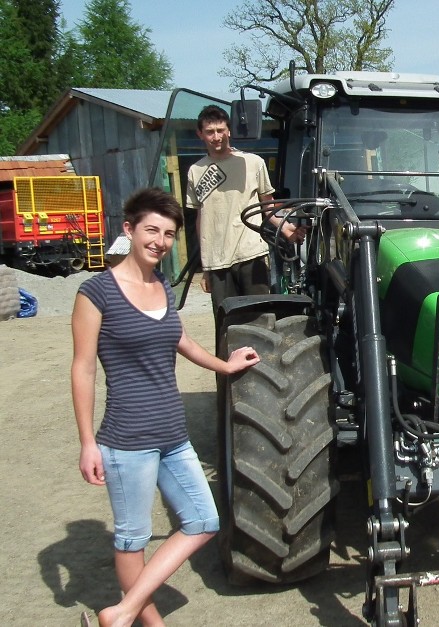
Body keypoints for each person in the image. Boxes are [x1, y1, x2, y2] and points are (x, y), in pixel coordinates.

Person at [71, 188, 261, 627]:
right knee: (132, 538)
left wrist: (225, 365)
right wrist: (87, 442)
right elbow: (83, 369)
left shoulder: (161, 285)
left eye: (169, 234)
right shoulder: (95, 292)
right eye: (151, 230)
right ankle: (145, 622)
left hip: (173, 436)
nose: (160, 240)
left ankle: (120, 613)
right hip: (126, 440)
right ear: (129, 229)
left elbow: (179, 339)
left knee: (203, 521)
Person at [185, 104, 304, 318]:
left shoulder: (252, 163)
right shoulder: (195, 171)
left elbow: (267, 205)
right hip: (217, 260)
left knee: (260, 318)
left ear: (229, 131)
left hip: (251, 253)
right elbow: (201, 217)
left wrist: (286, 229)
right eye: (210, 132)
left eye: (221, 130)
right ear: (200, 134)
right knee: (227, 324)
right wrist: (205, 268)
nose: (216, 136)